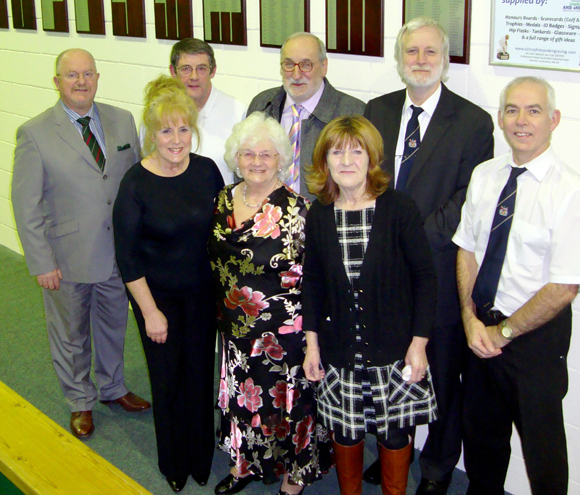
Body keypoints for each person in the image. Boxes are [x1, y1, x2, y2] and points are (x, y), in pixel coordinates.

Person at [363, 17, 494, 494]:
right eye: (411, 52)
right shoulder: (375, 110)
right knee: (383, 369)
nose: (420, 61)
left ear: (445, 60)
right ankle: (391, 451)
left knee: (442, 375)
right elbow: (361, 179)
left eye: (429, 53)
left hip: (438, 273)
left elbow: (469, 197)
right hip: (378, 272)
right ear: (399, 61)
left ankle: (438, 468)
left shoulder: (474, 122)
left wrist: (410, 241)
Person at [453, 76, 580, 495]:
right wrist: (470, 319)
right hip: (481, 331)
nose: (521, 121)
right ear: (500, 118)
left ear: (553, 120)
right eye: (512, 110)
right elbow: (467, 250)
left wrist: (506, 332)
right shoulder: (485, 175)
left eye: (533, 111)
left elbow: (565, 287)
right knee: (481, 438)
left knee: (543, 448)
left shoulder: (570, 191)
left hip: (534, 339)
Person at [11, 48, 150, 440]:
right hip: (65, 257)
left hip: (116, 254)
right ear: (57, 81)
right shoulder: (35, 132)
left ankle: (112, 387)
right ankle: (79, 400)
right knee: (71, 333)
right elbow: (26, 205)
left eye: (87, 73)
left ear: (97, 77)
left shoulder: (122, 121)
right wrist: (41, 262)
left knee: (112, 325)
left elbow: (136, 183)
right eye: (71, 75)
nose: (81, 81)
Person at [302, 115, 439, 495]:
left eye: (356, 151)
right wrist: (312, 345)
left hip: (394, 350)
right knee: (345, 434)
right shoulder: (319, 214)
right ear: (324, 161)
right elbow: (311, 283)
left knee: (395, 437)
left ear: (372, 158)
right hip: (339, 349)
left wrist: (418, 344)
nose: (346, 161)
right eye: (337, 152)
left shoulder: (399, 208)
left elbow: (425, 279)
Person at [113, 75, 224, 493]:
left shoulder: (208, 171)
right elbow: (127, 256)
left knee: (199, 376)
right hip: (157, 302)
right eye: (165, 130)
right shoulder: (136, 184)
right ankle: (173, 461)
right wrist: (150, 312)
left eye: (183, 128)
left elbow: (222, 231)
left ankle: (200, 456)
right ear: (151, 134)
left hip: (202, 298)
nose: (176, 139)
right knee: (167, 379)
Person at [209, 112, 328, 495]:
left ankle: (293, 477)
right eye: (247, 154)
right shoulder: (224, 198)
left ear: (281, 158)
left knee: (283, 407)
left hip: (282, 334)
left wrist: (312, 339)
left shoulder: (298, 210)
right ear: (236, 157)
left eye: (266, 154)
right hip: (234, 328)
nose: (256, 161)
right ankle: (243, 464)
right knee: (244, 400)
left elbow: (315, 278)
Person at [247, 32, 365, 199]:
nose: (296, 75)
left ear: (324, 66)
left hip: (325, 218)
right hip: (269, 217)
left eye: (306, 65)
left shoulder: (354, 113)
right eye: (289, 64)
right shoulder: (261, 106)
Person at [140, 38, 247, 184]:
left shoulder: (238, 113)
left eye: (201, 68)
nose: (194, 77)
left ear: (213, 71)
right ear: (173, 71)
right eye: (186, 69)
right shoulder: (156, 115)